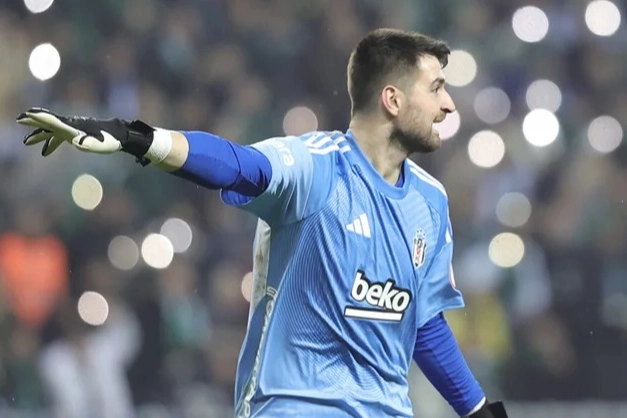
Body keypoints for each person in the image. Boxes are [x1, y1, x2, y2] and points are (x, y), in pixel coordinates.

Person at [17, 28, 508, 418]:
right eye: (437, 88)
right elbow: (235, 164)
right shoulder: (316, 167)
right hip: (296, 406)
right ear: (393, 100)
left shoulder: (430, 201)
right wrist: (135, 137)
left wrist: (478, 409)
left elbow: (423, 323)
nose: (449, 105)